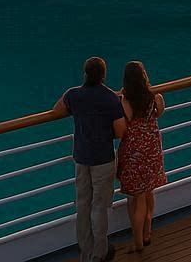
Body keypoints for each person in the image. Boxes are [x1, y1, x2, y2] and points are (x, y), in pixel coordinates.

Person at [53, 57, 123, 262]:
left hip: (82, 158)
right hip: (103, 159)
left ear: (85, 74)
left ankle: (85, 253)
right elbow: (120, 131)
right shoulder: (110, 98)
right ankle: (99, 254)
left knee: (83, 206)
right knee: (100, 207)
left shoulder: (74, 95)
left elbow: (56, 110)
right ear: (103, 75)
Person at [115, 61, 167, 254]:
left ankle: (137, 242)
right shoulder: (155, 97)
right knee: (148, 191)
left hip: (134, 152)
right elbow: (159, 112)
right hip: (152, 148)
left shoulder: (126, 100)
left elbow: (126, 119)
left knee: (137, 198)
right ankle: (147, 233)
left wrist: (121, 96)